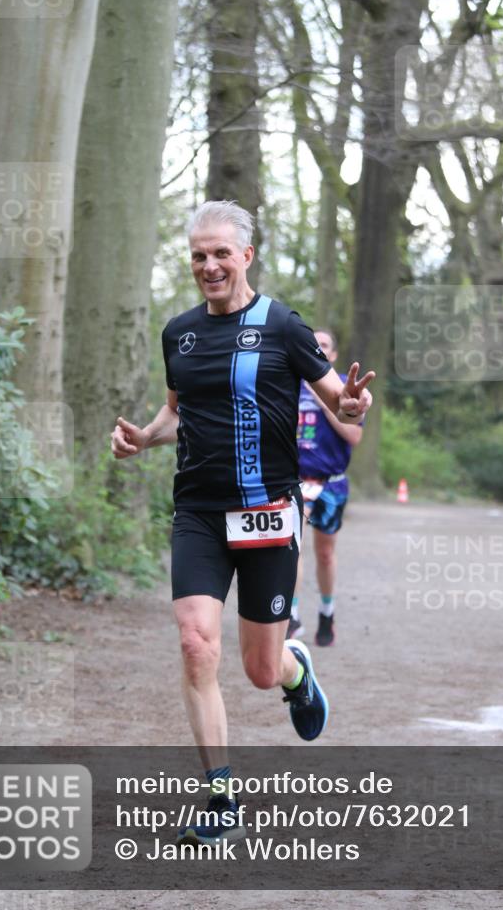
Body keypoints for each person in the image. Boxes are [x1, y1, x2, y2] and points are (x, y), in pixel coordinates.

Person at [111, 200, 374, 846]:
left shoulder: (281, 325)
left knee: (259, 669)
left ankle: (294, 672)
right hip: (199, 511)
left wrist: (352, 402)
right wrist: (144, 437)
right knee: (196, 642)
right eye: (198, 255)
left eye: (220, 253)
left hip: (266, 512)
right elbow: (178, 413)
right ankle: (222, 797)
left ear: (246, 256)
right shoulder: (179, 333)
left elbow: (338, 400)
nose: (208, 265)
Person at [289, 329, 363, 647]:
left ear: (332, 355)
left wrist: (325, 400)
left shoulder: (345, 386)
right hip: (296, 481)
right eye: (312, 344)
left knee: (325, 553)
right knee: (291, 547)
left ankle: (327, 611)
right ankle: (291, 617)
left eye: (324, 345)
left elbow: (354, 437)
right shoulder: (290, 385)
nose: (317, 349)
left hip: (332, 483)